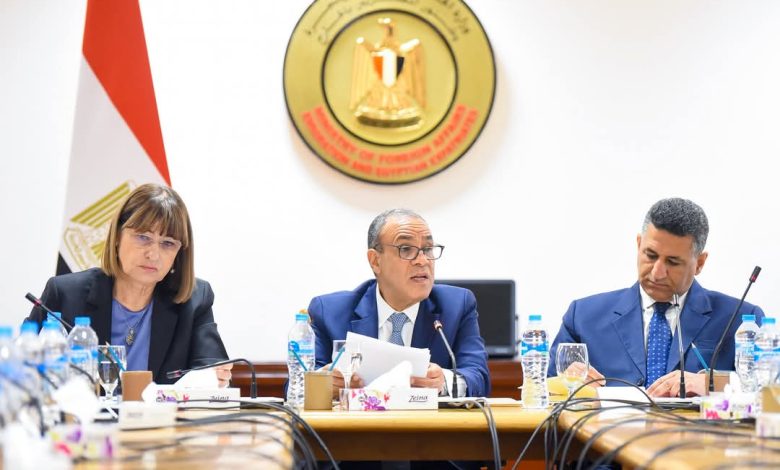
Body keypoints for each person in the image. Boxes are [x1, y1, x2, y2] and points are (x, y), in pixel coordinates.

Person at [548, 198, 764, 397]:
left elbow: (770, 389)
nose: (657, 273)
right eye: (650, 256)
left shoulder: (741, 319)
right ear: (638, 244)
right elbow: (542, 388)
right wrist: (566, 381)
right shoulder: (583, 317)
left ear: (699, 263)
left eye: (673, 262)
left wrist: (715, 383)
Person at [27, 183, 232, 386]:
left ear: (179, 252)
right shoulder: (65, 295)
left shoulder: (195, 300)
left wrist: (215, 378)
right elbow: (21, 370)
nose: (153, 254)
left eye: (168, 243)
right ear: (117, 236)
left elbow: (215, 376)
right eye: (143, 237)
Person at [308, 208, 491, 399]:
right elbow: (295, 387)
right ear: (375, 261)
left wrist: (443, 382)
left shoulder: (456, 306)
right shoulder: (329, 312)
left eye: (428, 249)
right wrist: (322, 384)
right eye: (406, 249)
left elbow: (478, 378)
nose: (422, 260)